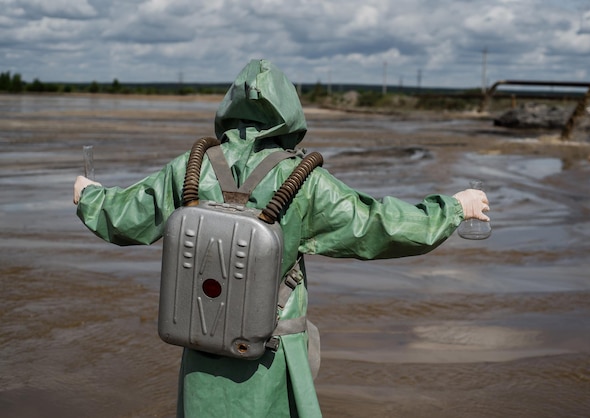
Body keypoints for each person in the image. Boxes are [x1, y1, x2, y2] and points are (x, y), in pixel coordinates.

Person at [73, 59, 489, 418]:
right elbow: (377, 225)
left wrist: (88, 196)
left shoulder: (189, 168)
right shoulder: (304, 180)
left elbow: (125, 217)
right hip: (270, 352)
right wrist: (454, 208)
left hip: (203, 350)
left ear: (229, 109)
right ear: (289, 112)